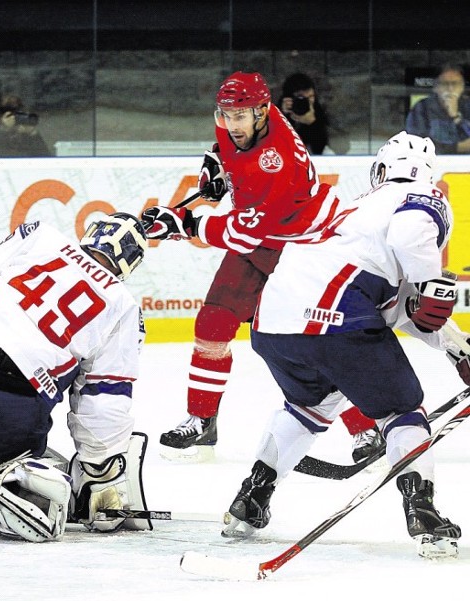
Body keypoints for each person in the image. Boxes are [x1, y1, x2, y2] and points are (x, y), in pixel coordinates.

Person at [221, 131, 470, 559]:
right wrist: (432, 285)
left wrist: (458, 349)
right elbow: (412, 246)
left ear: (380, 169)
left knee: (307, 407)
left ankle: (250, 500)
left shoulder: (353, 207)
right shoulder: (423, 197)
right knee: (401, 411)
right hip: (335, 318)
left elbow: (397, 306)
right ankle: (423, 512)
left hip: (273, 324)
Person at [142, 71, 381, 464]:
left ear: (261, 113)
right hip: (262, 235)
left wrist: (183, 224)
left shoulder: (278, 160)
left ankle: (365, 428)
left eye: (240, 117)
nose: (232, 125)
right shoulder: (243, 119)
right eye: (226, 115)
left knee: (307, 344)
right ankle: (202, 420)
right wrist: (215, 164)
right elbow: (228, 153)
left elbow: (243, 235)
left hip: (301, 246)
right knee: (213, 323)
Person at [0, 212, 153, 541]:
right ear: (131, 263)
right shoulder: (123, 306)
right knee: (26, 466)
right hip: (1, 405)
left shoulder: (42, 235)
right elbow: (102, 398)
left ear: (92, 232)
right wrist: (100, 468)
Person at [277, 72, 349, 155]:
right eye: (301, 98)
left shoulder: (320, 113)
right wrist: (280, 116)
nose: (306, 102)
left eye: (311, 97)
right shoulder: (274, 114)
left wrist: (314, 123)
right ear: (288, 99)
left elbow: (343, 147)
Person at [406, 63, 470, 154]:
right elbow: (415, 143)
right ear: (436, 87)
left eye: (455, 84)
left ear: (462, 87)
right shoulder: (422, 108)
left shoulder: (468, 106)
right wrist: (455, 148)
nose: (450, 89)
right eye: (445, 84)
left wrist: (456, 117)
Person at [0, 93, 51, 157]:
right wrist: (4, 131)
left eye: (17, 111)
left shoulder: (26, 133)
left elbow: (45, 159)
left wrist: (33, 134)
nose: (13, 115)